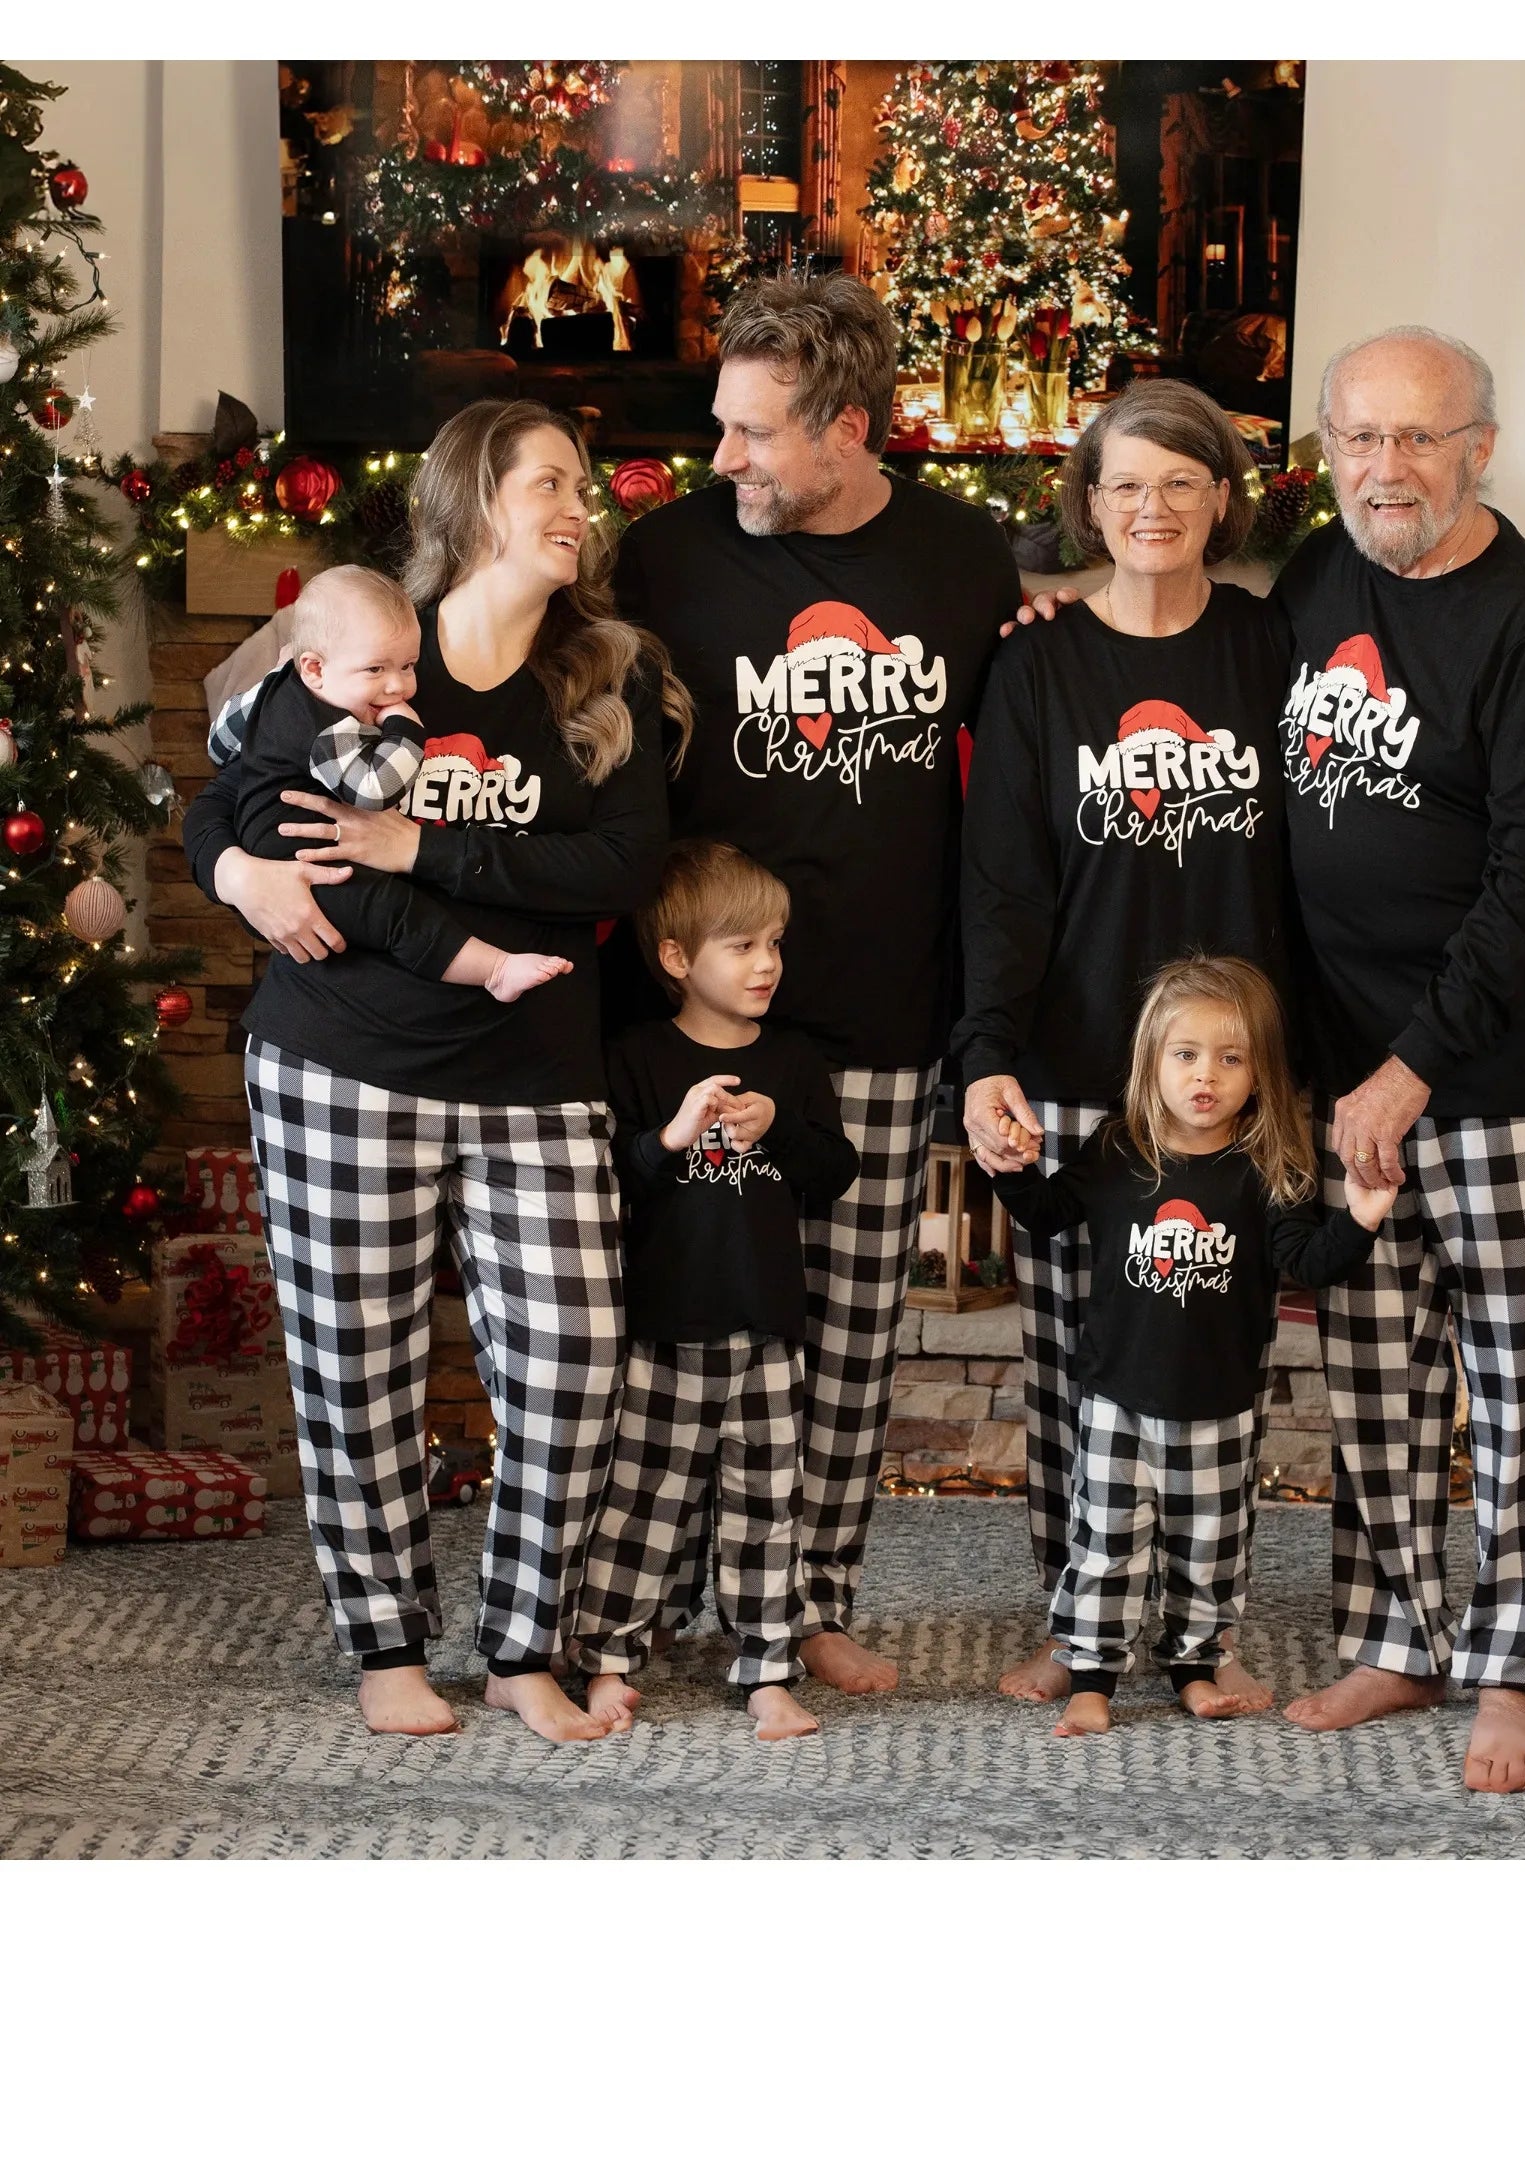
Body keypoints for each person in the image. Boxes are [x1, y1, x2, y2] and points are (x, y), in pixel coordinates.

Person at [182, 399, 685, 1744]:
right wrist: (237, 875)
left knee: (574, 1364)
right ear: (472, 502)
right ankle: (388, 1646)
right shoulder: (364, 641)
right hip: (340, 1061)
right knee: (354, 1372)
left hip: (537, 1073)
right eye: (549, 483)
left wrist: (420, 850)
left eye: (583, 484)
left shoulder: (609, 677)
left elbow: (623, 869)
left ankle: (522, 1646)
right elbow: (218, 796)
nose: (580, 507)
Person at [609, 273, 1021, 1694]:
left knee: (844, 1341)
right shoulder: (663, 557)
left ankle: (810, 1601)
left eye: (755, 432)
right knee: (680, 1321)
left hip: (882, 1015)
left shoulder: (963, 558)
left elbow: (1028, 740)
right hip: (690, 1026)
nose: (722, 455)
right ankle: (655, 1597)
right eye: (722, 424)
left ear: (847, 429)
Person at [1274, 326, 1525, 1794]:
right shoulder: (1317, 576)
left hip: (1506, 1064)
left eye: (1419, 438)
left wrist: (1412, 1068)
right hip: (1353, 1055)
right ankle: (1398, 1638)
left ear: (1481, 447)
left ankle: (1520, 1672)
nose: (1386, 468)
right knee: (1377, 1369)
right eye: (1360, 437)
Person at [955, 379, 1295, 1705]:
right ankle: (1079, 1623)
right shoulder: (1040, 662)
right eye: (1126, 486)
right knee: (1076, 1373)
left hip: (1232, 1081)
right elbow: (1004, 883)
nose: (1152, 508)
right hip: (1082, 1067)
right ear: (1088, 505)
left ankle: (1203, 1630)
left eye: (1180, 483)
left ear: (1222, 500)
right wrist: (989, 1053)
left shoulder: (1270, 647)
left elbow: (1357, 821)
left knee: (1214, 1352)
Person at [990, 955, 1394, 1737]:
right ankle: (1091, 1675)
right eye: (1186, 1054)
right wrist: (1010, 1170)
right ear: (1152, 1061)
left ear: (1259, 1072)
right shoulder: (1118, 1149)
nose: (1205, 1075)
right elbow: (1046, 1213)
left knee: (1209, 1547)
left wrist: (1362, 1217)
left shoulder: (1269, 1168)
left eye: (1231, 1057)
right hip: (1117, 1398)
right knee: (1106, 1543)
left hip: (1219, 1404)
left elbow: (1309, 1264)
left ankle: (1196, 1667)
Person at [573, 839, 859, 1741]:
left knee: (767, 1509)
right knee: (643, 1502)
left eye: (774, 943)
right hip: (667, 1325)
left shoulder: (792, 1062)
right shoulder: (636, 1056)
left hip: (768, 1326)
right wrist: (670, 1137)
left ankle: (767, 1669)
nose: (766, 963)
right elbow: (612, 1178)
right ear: (676, 957)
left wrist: (777, 1131)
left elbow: (834, 1173)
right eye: (742, 946)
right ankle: (608, 1657)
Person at [206, 563, 573, 1002]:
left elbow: (219, 743)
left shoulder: (275, 686)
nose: (398, 686)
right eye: (375, 669)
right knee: (394, 911)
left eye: (408, 665)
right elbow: (377, 788)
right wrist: (404, 728)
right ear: (314, 668)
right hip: (297, 867)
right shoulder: (325, 728)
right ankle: (494, 971)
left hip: (287, 850)